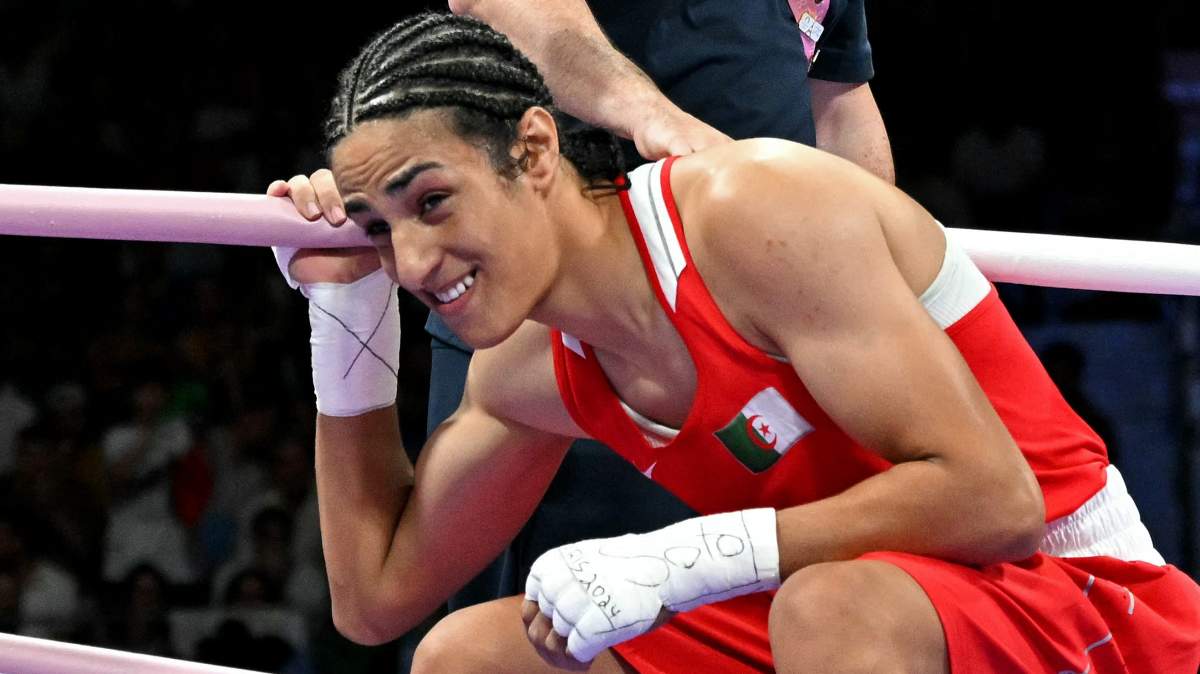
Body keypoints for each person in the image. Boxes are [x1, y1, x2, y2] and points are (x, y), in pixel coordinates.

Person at [267, 13, 1200, 673]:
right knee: (469, 656)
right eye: (380, 227)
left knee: (831, 608)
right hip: (846, 605)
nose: (413, 260)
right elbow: (375, 599)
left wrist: (685, 560)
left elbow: (999, 501)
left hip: (1069, 588)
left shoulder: (749, 211)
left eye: (433, 201)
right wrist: (346, 309)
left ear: (536, 149)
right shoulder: (529, 370)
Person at [421, 0, 895, 616]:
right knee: (519, 624)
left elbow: (838, 97)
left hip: (753, 337)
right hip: (560, 313)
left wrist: (886, 263)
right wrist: (654, 118)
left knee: (727, 618)